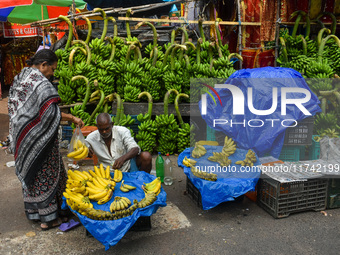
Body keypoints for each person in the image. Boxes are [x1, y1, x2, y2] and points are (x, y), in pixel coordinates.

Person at [8, 49, 84, 231]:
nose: (53, 73)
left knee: (33, 175)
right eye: (53, 69)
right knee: (45, 175)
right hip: (41, 140)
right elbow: (51, 113)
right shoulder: (41, 83)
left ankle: (37, 213)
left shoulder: (21, 76)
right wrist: (71, 118)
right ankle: (48, 219)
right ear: (43, 65)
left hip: (23, 138)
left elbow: (16, 108)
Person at [85, 113, 152, 173]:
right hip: (106, 171)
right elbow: (81, 146)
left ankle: (143, 181)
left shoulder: (122, 131)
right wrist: (86, 150)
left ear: (112, 124)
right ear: (97, 126)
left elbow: (135, 149)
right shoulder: (92, 137)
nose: (104, 132)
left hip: (126, 168)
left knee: (146, 156)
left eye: (107, 128)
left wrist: (123, 159)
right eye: (101, 129)